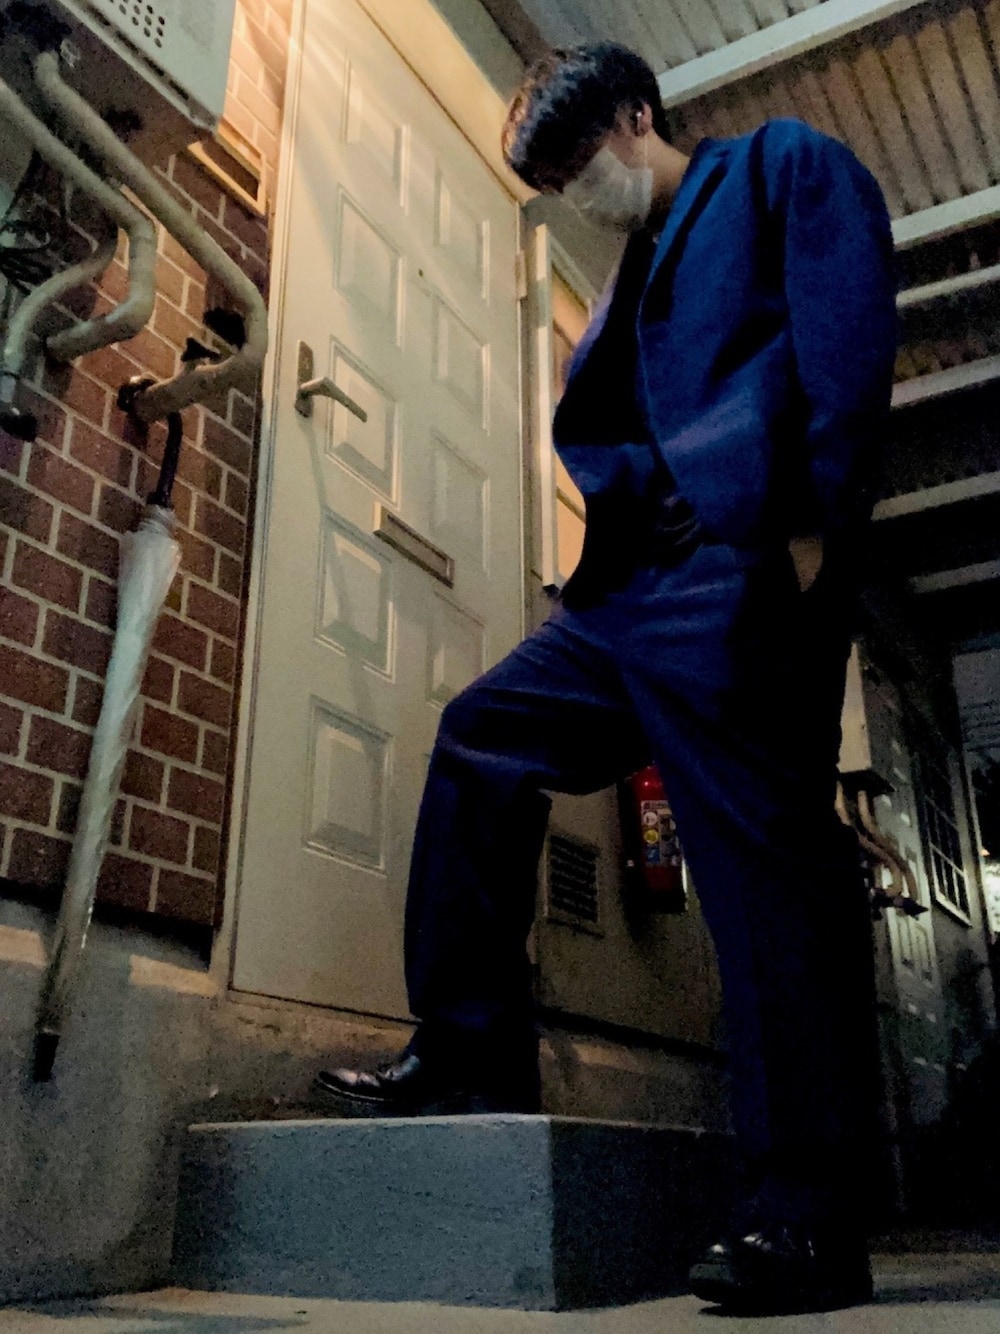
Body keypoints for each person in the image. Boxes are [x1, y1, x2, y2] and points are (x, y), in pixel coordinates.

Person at [316, 42, 897, 1315]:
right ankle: (470, 1051)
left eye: (579, 166)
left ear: (638, 114)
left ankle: (808, 1217)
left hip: (742, 571)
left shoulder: (781, 168)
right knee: (481, 734)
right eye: (553, 184)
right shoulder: (630, 268)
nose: (574, 197)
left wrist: (811, 527)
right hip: (629, 593)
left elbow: (848, 328)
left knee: (765, 875)